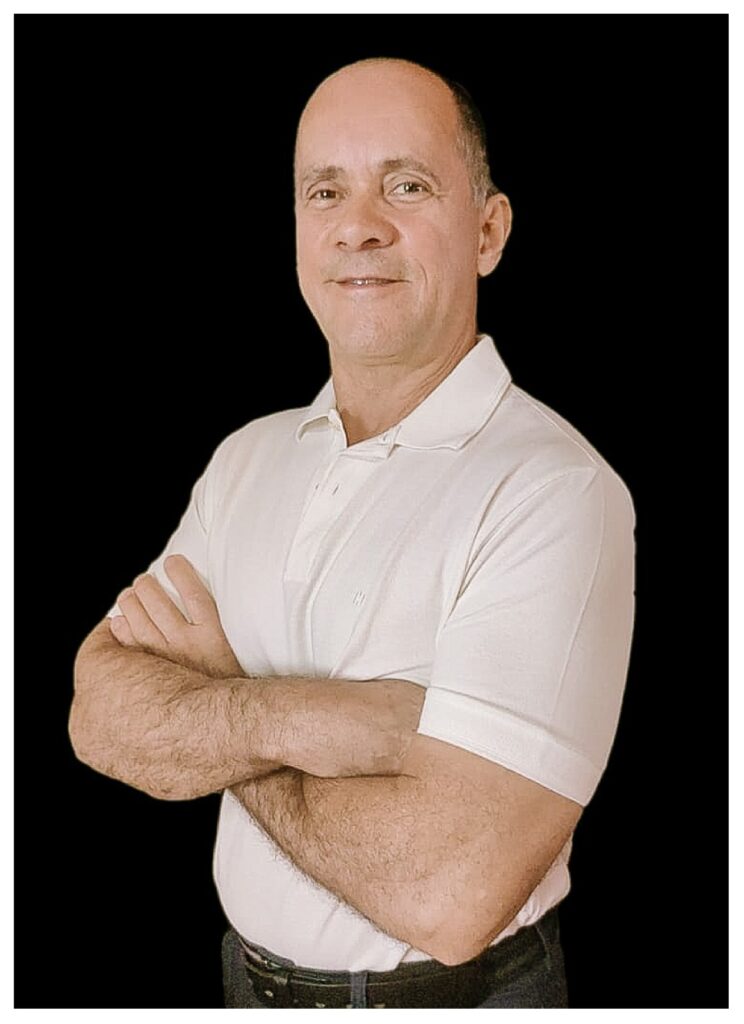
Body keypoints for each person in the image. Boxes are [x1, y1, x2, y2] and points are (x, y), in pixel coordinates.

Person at [69, 57, 635, 1009]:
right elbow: (97, 717)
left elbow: (447, 897)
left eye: (406, 186)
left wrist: (216, 705)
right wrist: (318, 721)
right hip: (243, 987)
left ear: (489, 231)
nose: (358, 225)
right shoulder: (245, 460)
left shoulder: (554, 491)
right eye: (324, 191)